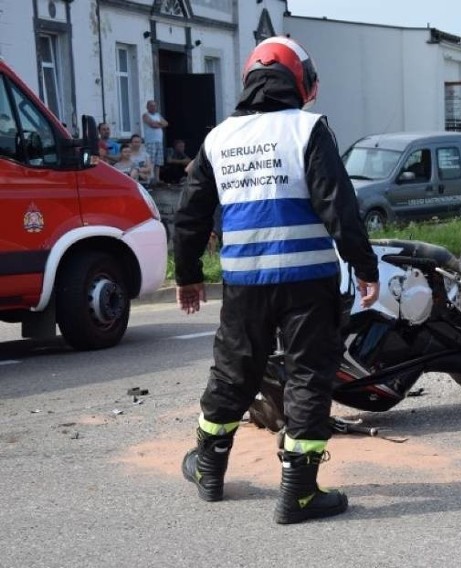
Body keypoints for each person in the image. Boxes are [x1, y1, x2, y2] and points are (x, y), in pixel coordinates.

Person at [173, 36, 380, 525]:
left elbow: (190, 215)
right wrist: (364, 265)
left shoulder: (217, 138)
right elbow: (339, 206)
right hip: (308, 281)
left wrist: (186, 275)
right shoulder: (307, 130)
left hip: (245, 283)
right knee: (309, 375)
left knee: (234, 372)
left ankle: (209, 468)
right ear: (300, 81)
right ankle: (300, 493)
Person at [142, 99, 168, 184]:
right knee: (151, 161)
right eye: (151, 106)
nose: (153, 107)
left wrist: (158, 123)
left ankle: (157, 179)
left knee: (158, 161)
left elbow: (166, 124)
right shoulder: (145, 115)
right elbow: (152, 125)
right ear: (147, 107)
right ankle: (150, 179)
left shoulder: (158, 115)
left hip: (159, 141)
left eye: (154, 106)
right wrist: (159, 124)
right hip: (150, 141)